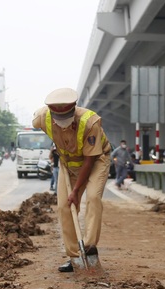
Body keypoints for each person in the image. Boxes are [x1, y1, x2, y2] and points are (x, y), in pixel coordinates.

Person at [32, 88, 112, 273]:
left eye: (67, 123)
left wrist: (75, 190)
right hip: (67, 163)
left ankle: (90, 248)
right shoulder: (43, 117)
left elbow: (90, 160)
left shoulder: (90, 122)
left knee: (92, 198)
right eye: (58, 123)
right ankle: (75, 256)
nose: (63, 126)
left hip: (95, 161)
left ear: (74, 111)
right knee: (64, 207)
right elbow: (35, 117)